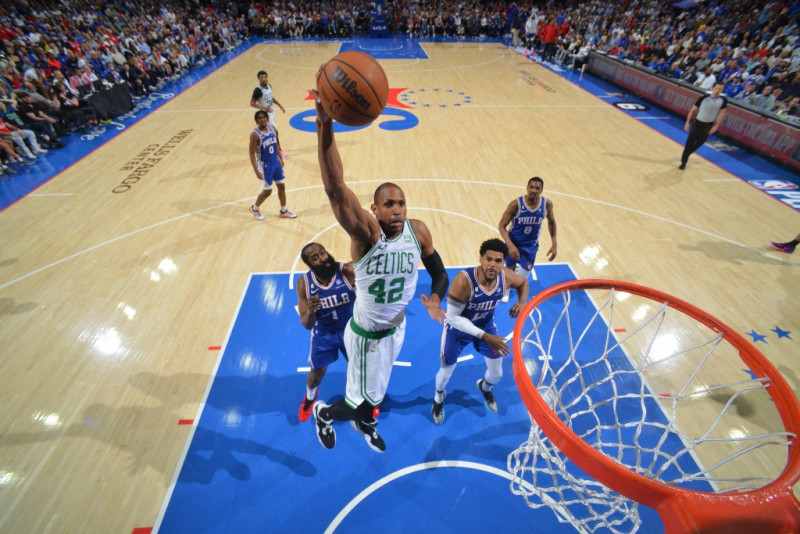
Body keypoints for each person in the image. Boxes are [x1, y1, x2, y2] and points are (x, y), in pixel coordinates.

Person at [310, 77, 449, 453]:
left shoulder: (417, 232)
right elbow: (336, 188)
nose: (397, 209)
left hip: (396, 332)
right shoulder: (366, 235)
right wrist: (325, 126)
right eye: (388, 204)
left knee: (376, 396)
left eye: (401, 202)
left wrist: (436, 299)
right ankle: (325, 412)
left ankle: (366, 422)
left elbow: (440, 273)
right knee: (359, 401)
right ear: (374, 210)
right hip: (368, 337)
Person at [431, 238, 529, 424]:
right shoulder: (463, 281)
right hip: (458, 331)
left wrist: (522, 302)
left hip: (485, 326)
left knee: (497, 374)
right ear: (480, 259)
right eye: (488, 259)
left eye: (498, 261)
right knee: (445, 372)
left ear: (503, 263)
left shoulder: (506, 277)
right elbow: (452, 318)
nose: (492, 264)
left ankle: (485, 387)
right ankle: (438, 399)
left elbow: (523, 283)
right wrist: (485, 336)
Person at [296, 243, 355, 422]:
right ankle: (310, 396)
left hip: (351, 330)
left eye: (323, 253)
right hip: (324, 333)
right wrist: (311, 311)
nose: (323, 258)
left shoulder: (347, 271)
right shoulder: (304, 284)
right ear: (309, 265)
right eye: (316, 258)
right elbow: (307, 325)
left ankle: (367, 401)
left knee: (359, 370)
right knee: (316, 375)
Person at [498, 176, 557, 286]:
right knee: (509, 269)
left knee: (522, 278)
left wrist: (554, 245)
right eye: (532, 187)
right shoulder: (515, 204)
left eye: (537, 188)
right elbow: (501, 226)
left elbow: (552, 222)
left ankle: (515, 277)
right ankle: (505, 289)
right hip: (513, 243)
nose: (534, 190)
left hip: (530, 246)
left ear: (541, 190)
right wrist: (510, 245)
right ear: (527, 188)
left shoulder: (546, 204)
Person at [247, 109, 296, 219]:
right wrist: (256, 171)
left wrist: (280, 158)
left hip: (275, 162)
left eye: (264, 117)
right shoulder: (255, 135)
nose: (263, 119)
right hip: (264, 165)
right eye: (260, 118)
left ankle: (283, 211)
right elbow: (251, 154)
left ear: (267, 118)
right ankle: (254, 208)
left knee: (281, 186)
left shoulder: (273, 129)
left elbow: (276, 145)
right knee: (267, 191)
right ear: (256, 120)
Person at [680, 82, 727, 170]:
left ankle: (686, 154)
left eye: (720, 89)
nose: (718, 90)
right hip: (697, 123)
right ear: (713, 88)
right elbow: (692, 110)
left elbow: (721, 114)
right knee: (689, 143)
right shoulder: (704, 98)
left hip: (708, 125)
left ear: (722, 90)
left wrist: (716, 126)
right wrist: (687, 123)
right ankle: (684, 161)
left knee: (699, 143)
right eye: (716, 88)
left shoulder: (723, 101)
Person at [250, 70, 286, 154]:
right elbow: (252, 103)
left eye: (265, 77)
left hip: (271, 112)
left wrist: (279, 105)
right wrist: (264, 108)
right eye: (262, 77)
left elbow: (271, 97)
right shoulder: (257, 90)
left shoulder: (269, 86)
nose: (264, 79)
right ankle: (279, 151)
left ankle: (268, 148)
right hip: (264, 114)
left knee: (273, 131)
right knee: (274, 131)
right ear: (258, 79)